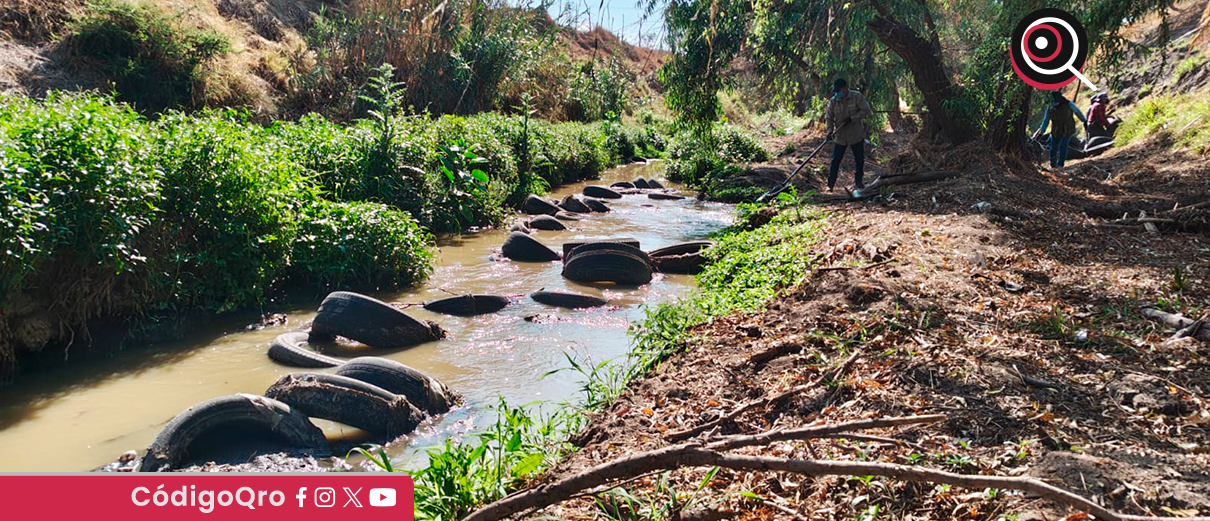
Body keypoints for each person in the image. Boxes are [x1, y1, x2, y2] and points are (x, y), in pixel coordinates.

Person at [825, 78, 873, 191]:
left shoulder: (857, 97)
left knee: (859, 159)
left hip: (856, 135)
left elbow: (866, 110)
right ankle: (830, 185)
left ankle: (859, 183)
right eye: (836, 92)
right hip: (840, 136)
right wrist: (829, 131)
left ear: (845, 88)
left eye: (839, 90)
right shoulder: (833, 101)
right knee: (836, 160)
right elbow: (829, 117)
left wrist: (852, 119)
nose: (838, 94)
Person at [1032, 90, 1088, 170]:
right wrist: (1041, 132)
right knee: (1053, 147)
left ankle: (1060, 164)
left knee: (1063, 145)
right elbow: (1046, 120)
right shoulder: (1050, 107)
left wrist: (1084, 121)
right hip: (1056, 130)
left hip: (1067, 129)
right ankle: (1053, 165)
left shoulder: (1069, 104)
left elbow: (1077, 112)